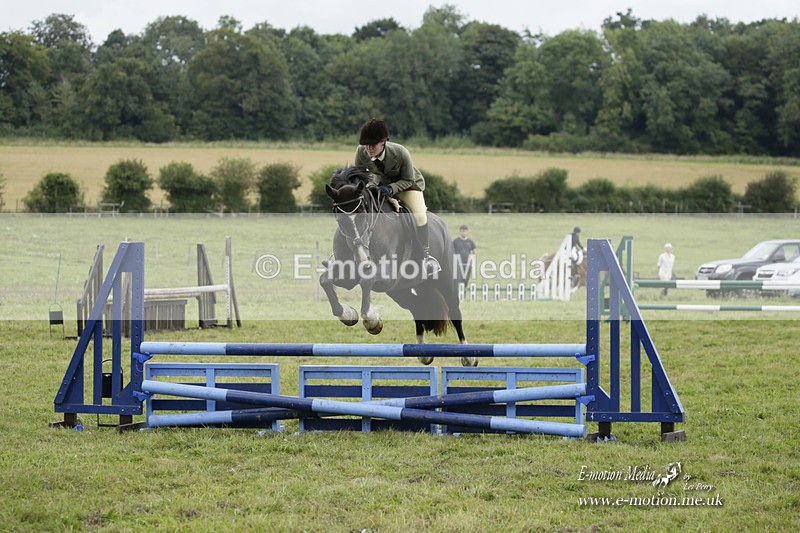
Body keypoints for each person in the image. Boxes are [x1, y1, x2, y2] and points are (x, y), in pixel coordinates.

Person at [355, 118, 440, 275]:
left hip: (407, 186)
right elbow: (360, 175)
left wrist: (390, 188)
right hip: (379, 187)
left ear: (383, 142)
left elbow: (408, 179)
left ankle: (425, 257)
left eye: (372, 145)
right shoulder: (361, 151)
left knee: (420, 216)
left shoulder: (400, 153)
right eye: (366, 145)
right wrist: (371, 186)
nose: (369, 149)